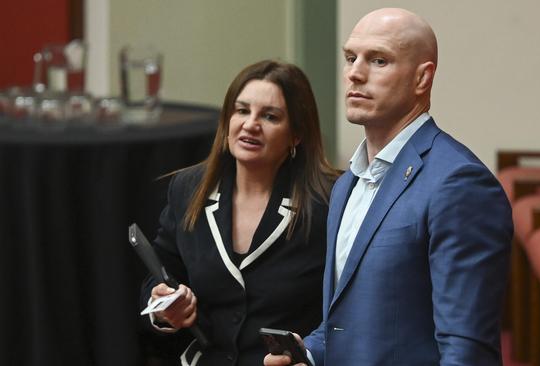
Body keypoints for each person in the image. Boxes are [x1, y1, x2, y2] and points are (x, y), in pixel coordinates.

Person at [264, 8, 513, 366]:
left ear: (421, 79)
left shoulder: (458, 184)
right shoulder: (347, 182)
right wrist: (310, 355)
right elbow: (346, 325)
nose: (355, 73)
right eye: (350, 58)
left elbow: (467, 350)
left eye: (378, 60)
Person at [141, 60, 339, 366]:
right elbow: (160, 274)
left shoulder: (329, 201)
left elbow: (349, 309)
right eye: (242, 110)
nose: (250, 124)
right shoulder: (188, 189)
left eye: (270, 116)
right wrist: (162, 308)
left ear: (296, 135)